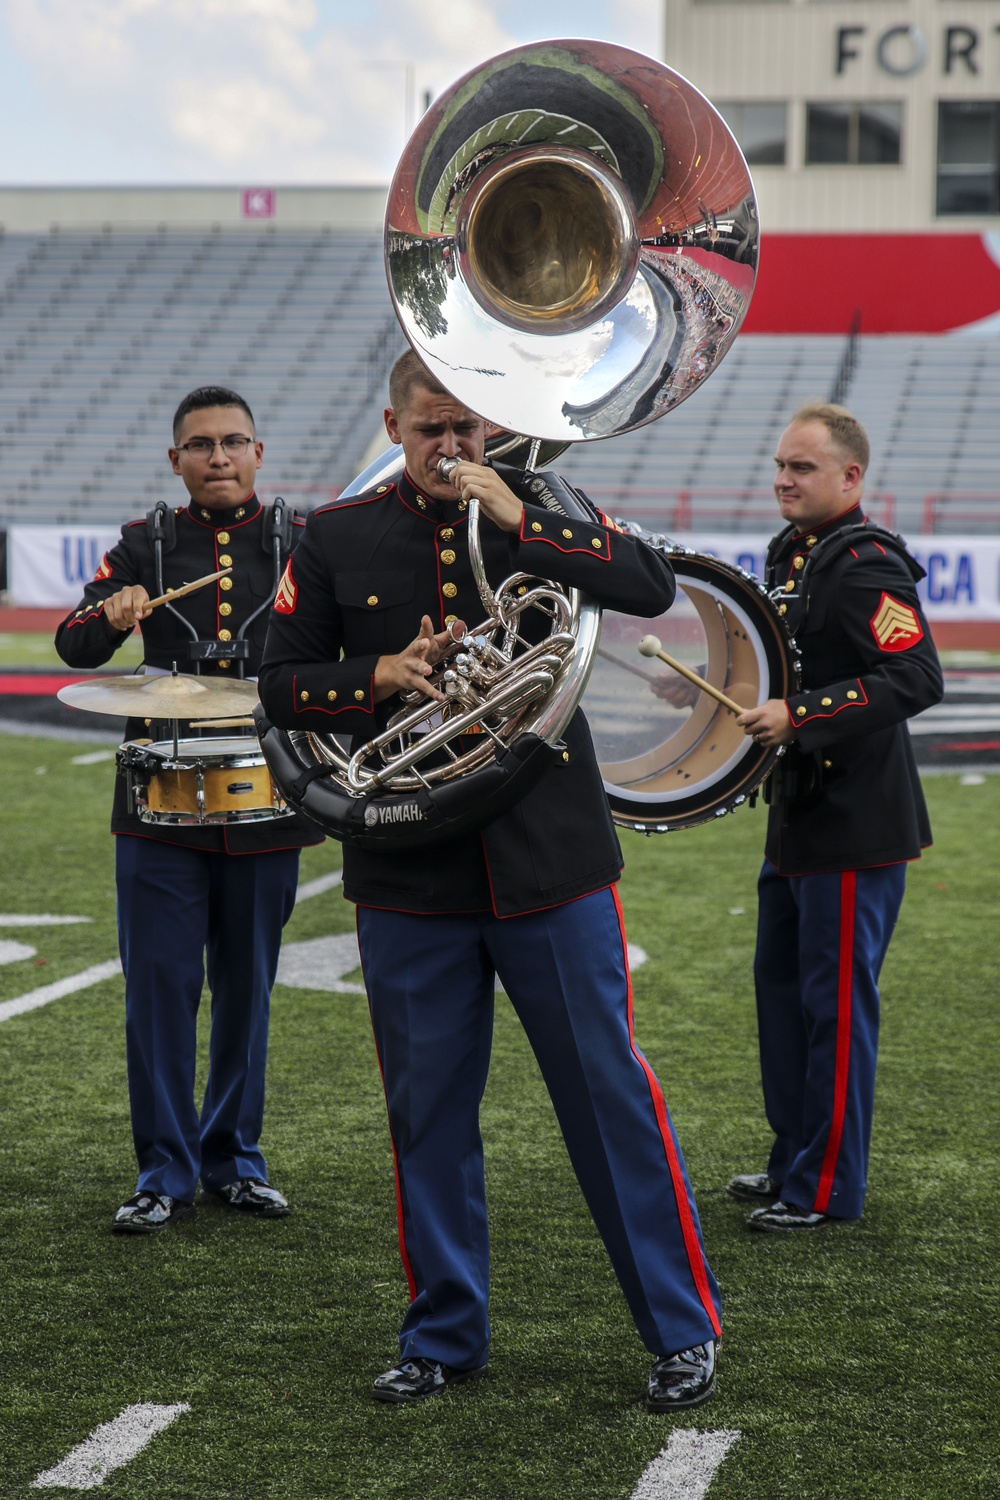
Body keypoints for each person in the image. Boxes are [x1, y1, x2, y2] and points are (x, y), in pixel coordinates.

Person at [258, 351, 722, 1411]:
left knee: (610, 1101)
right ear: (393, 423)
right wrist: (378, 675)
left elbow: (650, 587)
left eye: (467, 428)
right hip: (409, 874)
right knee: (426, 1115)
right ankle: (443, 1335)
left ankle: (679, 1329)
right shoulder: (334, 536)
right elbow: (277, 684)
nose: (451, 447)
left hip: (549, 864)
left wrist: (519, 513)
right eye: (430, 429)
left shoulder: (542, 504)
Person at [55, 386, 324, 1235]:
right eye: (201, 444)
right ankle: (162, 1170)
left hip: (268, 793)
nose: (218, 456)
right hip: (157, 803)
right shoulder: (146, 543)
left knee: (247, 988)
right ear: (175, 460)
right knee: (160, 990)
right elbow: (73, 641)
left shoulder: (299, 541)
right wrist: (112, 612)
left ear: (257, 454)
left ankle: (234, 1159)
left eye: (233, 442)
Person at [732, 402, 944, 1232]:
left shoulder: (863, 564)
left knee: (836, 1008)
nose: (784, 478)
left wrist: (803, 715)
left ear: (850, 478)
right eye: (781, 464)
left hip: (855, 825)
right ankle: (795, 1160)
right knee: (782, 997)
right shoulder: (795, 552)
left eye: (803, 468)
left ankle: (826, 1190)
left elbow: (916, 678)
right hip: (799, 815)